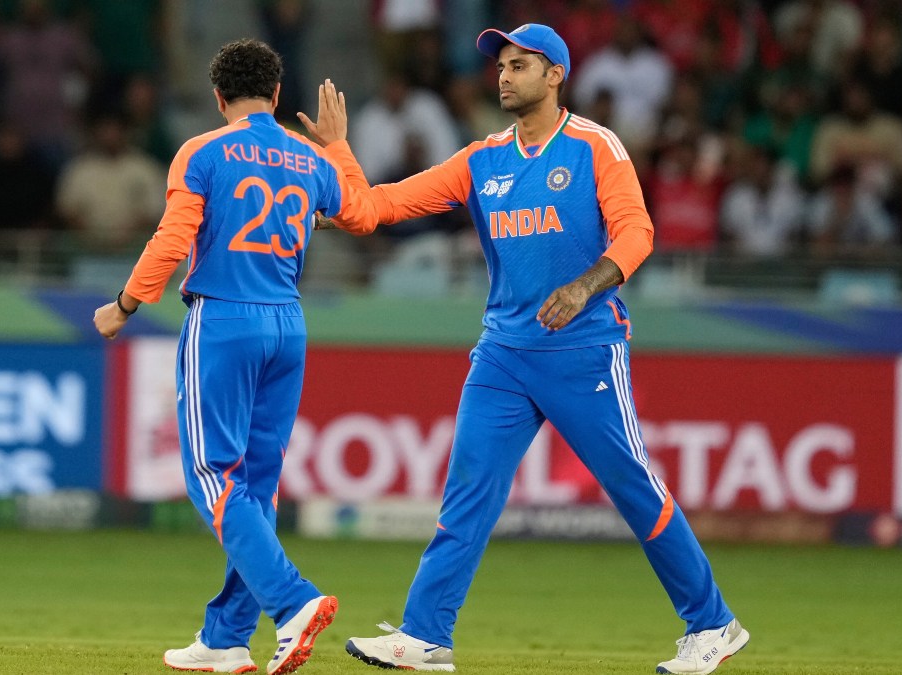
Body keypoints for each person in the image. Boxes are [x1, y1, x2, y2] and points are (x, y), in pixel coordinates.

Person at [319, 23, 748, 674]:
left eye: (520, 65)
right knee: (467, 491)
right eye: (501, 65)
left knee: (633, 485)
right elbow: (372, 208)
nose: (504, 75)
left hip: (584, 349)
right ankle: (426, 636)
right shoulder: (480, 160)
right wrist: (338, 154)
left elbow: (638, 233)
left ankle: (713, 623)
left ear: (556, 76)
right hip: (504, 353)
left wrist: (584, 287)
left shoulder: (596, 147)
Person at [92, 39, 374, 675]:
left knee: (211, 473)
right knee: (257, 486)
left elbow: (172, 238)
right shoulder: (309, 158)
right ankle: (224, 638)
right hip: (288, 327)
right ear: (277, 96)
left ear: (219, 98)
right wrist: (337, 147)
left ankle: (294, 601)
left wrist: (126, 305)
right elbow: (361, 216)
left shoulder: (203, 152)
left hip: (224, 318)